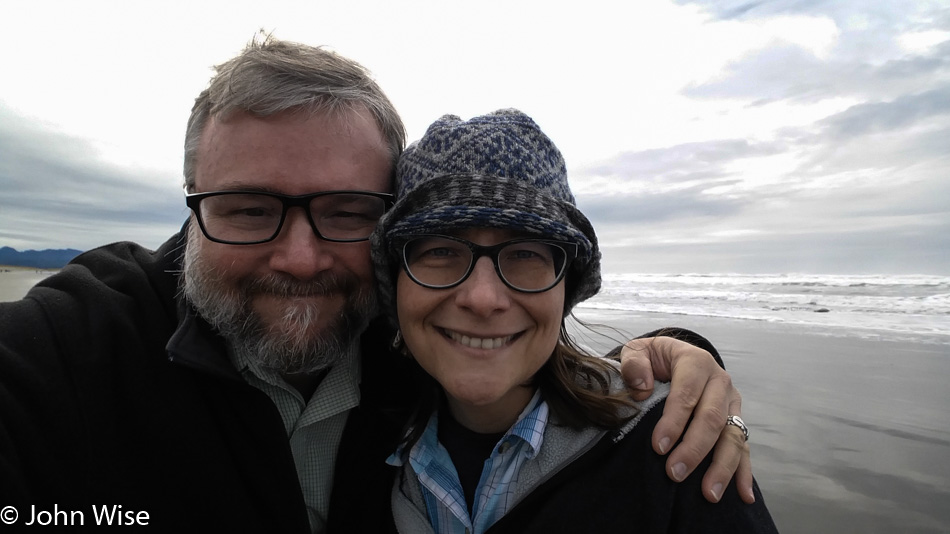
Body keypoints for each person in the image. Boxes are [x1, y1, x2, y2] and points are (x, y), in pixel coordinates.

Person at [0, 35, 750, 532]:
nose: (299, 258)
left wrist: (677, 358)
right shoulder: (75, 350)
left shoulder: (416, 353)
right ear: (194, 203)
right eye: (250, 208)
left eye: (345, 212)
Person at [370, 109, 776, 533]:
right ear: (394, 280)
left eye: (526, 253)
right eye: (439, 250)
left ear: (566, 286)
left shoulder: (677, 447)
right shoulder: (358, 429)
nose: (483, 299)